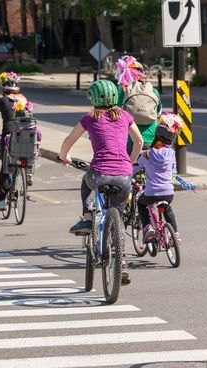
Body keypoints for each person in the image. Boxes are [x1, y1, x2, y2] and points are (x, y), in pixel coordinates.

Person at [59, 79, 144, 285]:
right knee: (119, 218)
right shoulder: (125, 116)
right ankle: (122, 262)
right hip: (124, 175)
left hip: (99, 173)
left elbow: (69, 140)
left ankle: (88, 217)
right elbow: (139, 142)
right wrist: (129, 163)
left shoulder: (89, 118)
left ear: (92, 99)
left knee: (87, 182)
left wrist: (64, 156)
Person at [0, 71, 34, 211]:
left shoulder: (1, 101)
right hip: (26, 136)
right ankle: (28, 171)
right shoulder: (24, 100)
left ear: (3, 91)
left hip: (9, 137)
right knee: (27, 152)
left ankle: (1, 200)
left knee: (5, 168)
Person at [136, 113, 184, 244]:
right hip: (169, 193)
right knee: (167, 208)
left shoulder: (147, 154)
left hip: (151, 193)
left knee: (141, 203)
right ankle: (176, 234)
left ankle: (148, 227)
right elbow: (174, 172)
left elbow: (134, 169)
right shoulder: (172, 154)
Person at [115, 55, 162, 155]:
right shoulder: (153, 90)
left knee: (128, 167)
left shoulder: (124, 90)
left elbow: (116, 107)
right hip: (150, 138)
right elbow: (158, 112)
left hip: (131, 139)